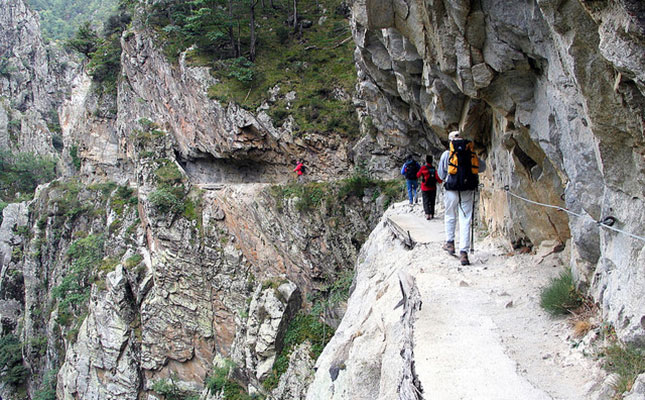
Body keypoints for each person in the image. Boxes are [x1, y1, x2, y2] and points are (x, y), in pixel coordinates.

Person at [437, 130, 486, 266]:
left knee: (450, 215)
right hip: (467, 189)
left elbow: (441, 175)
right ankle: (464, 253)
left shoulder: (447, 154)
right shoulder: (470, 152)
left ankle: (450, 243)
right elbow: (481, 167)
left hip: (451, 189)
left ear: (450, 141)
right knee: (465, 218)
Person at [417, 154, 442, 220]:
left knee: (426, 201)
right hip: (433, 188)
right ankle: (432, 214)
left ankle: (427, 214)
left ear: (426, 161)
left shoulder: (423, 168)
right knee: (432, 201)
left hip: (425, 187)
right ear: (432, 161)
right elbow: (439, 179)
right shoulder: (434, 169)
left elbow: (418, 175)